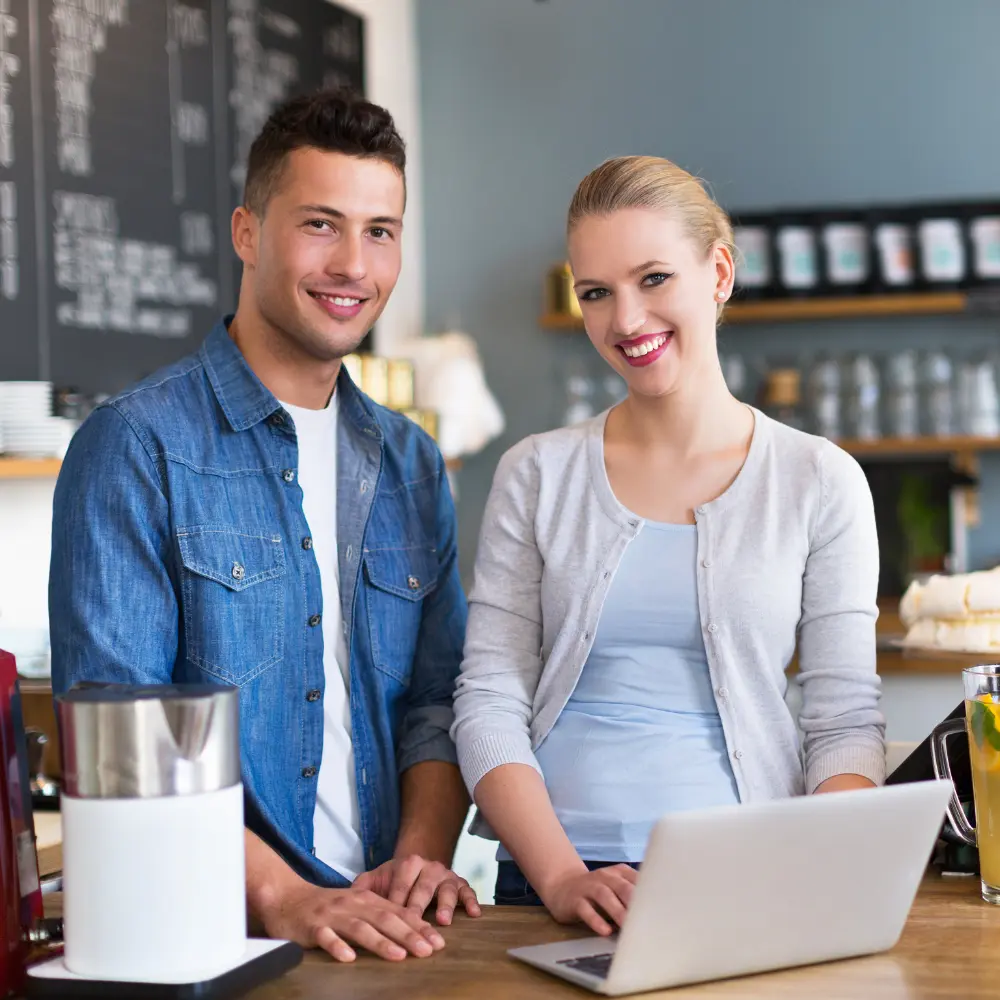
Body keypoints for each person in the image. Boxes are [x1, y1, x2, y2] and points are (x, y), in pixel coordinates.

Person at [50, 90, 479, 964]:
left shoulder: (412, 462)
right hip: (223, 935)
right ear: (247, 233)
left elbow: (438, 703)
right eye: (321, 225)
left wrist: (419, 863)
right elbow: (124, 735)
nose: (353, 265)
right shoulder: (135, 445)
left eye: (381, 231)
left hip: (391, 928)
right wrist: (287, 897)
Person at [452, 155, 885, 936]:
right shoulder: (536, 474)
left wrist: (812, 867)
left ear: (717, 273)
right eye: (596, 293)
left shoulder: (819, 480)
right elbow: (488, 700)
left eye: (653, 279)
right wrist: (561, 877)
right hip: (550, 884)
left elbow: (845, 722)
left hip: (747, 872)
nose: (626, 320)